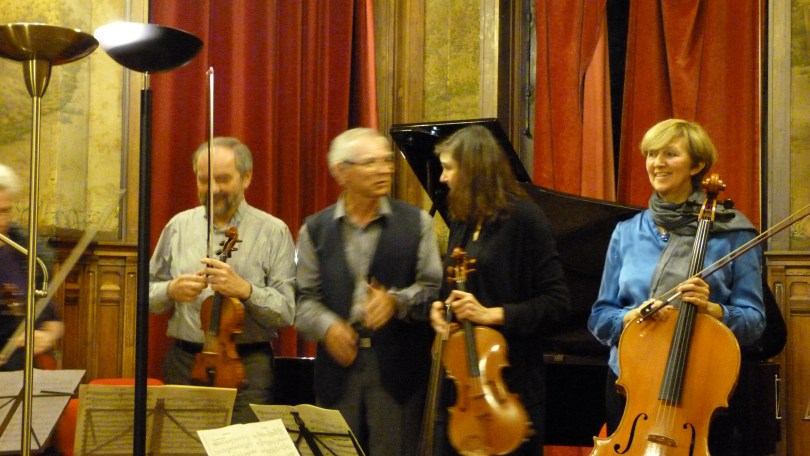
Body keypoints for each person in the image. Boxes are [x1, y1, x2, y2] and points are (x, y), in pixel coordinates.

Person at [587, 118, 766, 453]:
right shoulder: (626, 232)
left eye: (670, 154)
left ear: (696, 165)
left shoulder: (733, 233)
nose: (657, 163)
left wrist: (712, 310)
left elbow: (755, 321)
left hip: (699, 386)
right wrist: (629, 317)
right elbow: (600, 317)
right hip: (630, 385)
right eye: (651, 154)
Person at [294, 127, 442, 455]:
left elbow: (434, 290)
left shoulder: (417, 223)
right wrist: (327, 326)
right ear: (342, 172)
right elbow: (302, 299)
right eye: (371, 163)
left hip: (398, 374)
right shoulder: (314, 230)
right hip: (336, 373)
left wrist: (396, 302)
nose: (384, 169)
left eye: (387, 161)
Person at [428, 125, 570, 456]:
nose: (443, 179)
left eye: (448, 168)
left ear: (473, 168)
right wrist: (439, 308)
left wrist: (491, 314)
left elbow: (557, 303)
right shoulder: (463, 218)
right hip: (463, 381)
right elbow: (452, 287)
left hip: (510, 382)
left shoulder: (525, 218)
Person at [149, 137, 295, 424]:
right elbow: (145, 295)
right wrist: (170, 290)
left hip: (247, 368)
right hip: (186, 363)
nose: (213, 189)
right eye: (204, 180)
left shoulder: (273, 231)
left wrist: (247, 291)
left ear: (247, 177)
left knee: (241, 444)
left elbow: (287, 311)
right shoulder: (178, 226)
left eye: (223, 179)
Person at [0, 164, 62, 371]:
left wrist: (45, 336)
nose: (2, 220)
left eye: (5, 211)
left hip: (21, 371)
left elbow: (52, 320)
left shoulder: (26, 254)